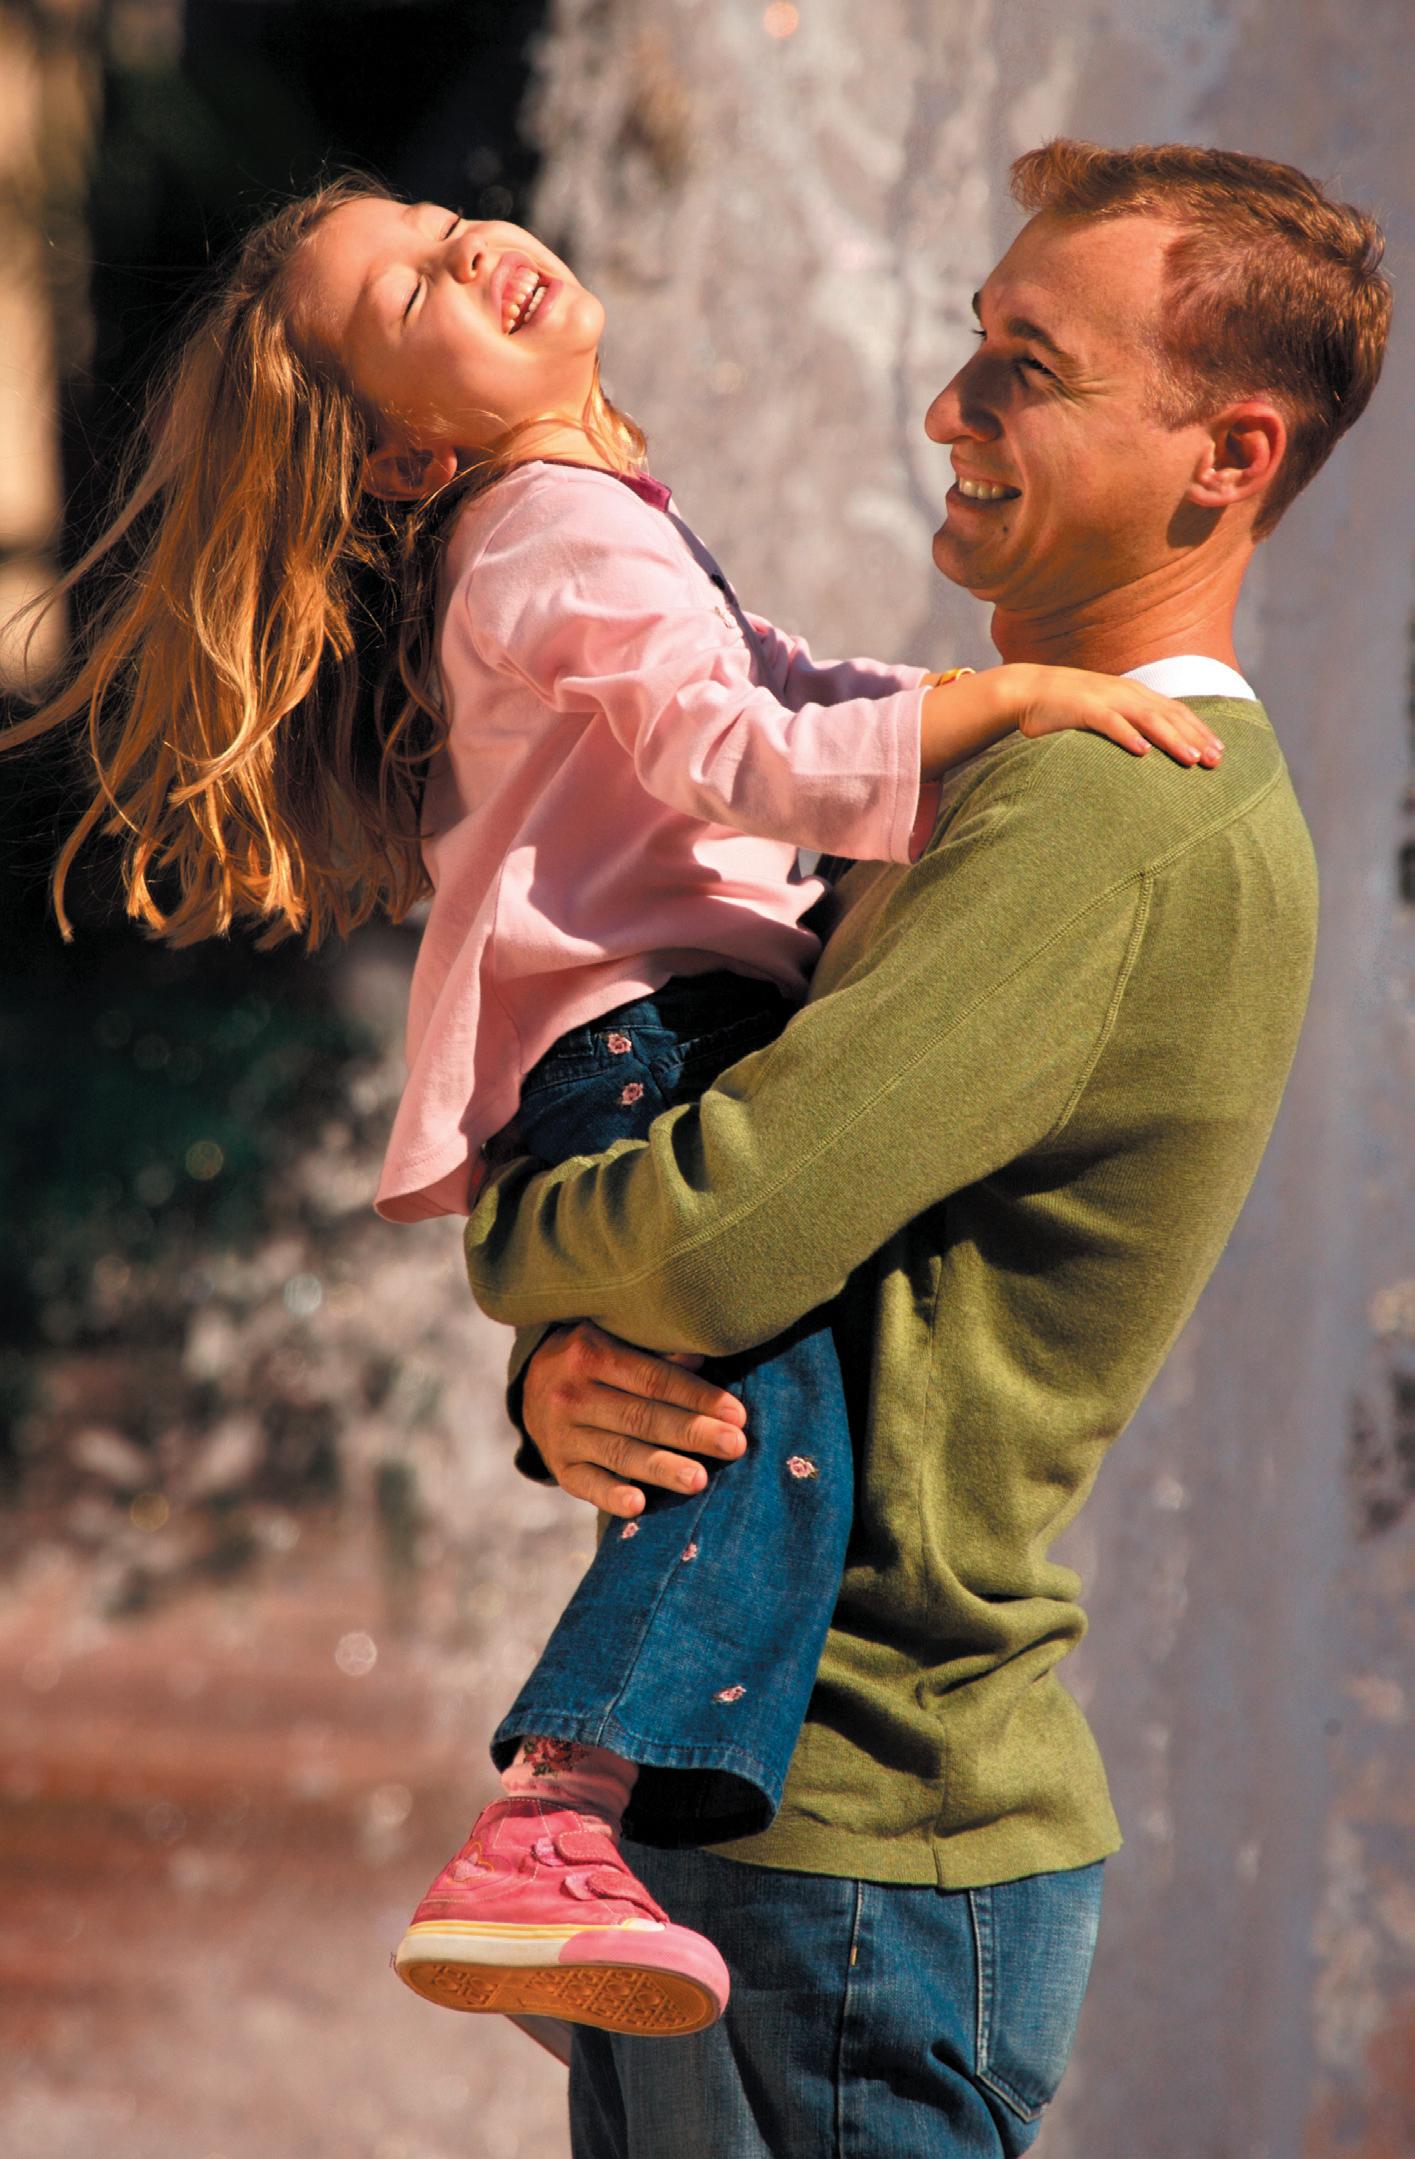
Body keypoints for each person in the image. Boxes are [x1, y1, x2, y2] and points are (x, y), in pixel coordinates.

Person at [0, 175, 1215, 2038]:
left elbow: (773, 681)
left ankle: (584, 1823)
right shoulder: (556, 527)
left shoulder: (573, 512)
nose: (464, 250)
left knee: (719, 1415)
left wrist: (955, 698)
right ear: (406, 459)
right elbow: (741, 750)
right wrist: (1000, 711)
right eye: (409, 293)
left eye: (436, 224)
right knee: (755, 1425)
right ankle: (555, 1816)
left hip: (627, 1043)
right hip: (646, 1042)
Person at [461, 140, 1391, 2155]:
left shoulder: (1110, 806)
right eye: (976, 340)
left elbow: (715, 1238)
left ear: (1229, 456)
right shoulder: (1012, 761)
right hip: (781, 1805)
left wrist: (513, 1248)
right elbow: (764, 1241)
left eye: (1027, 368)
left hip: (857, 1832)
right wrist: (563, 1381)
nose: (949, 407)